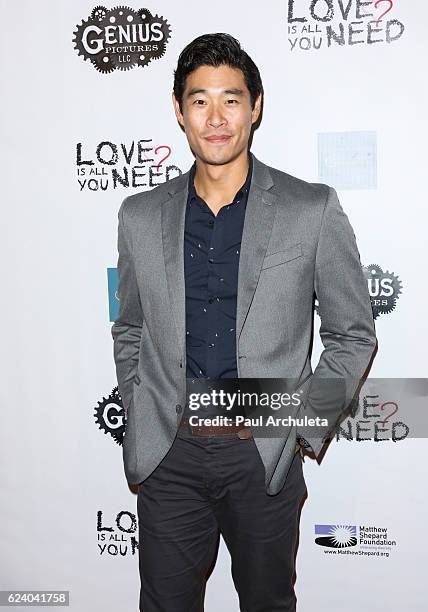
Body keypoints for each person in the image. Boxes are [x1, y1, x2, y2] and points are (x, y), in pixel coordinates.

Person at [111, 32, 377, 612]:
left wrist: (301, 427)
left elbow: (353, 333)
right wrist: (141, 410)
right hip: (170, 455)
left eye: (231, 99)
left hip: (263, 456)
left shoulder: (311, 208)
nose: (216, 117)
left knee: (267, 603)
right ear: (179, 111)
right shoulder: (139, 215)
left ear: (256, 107)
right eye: (199, 99)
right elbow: (129, 327)